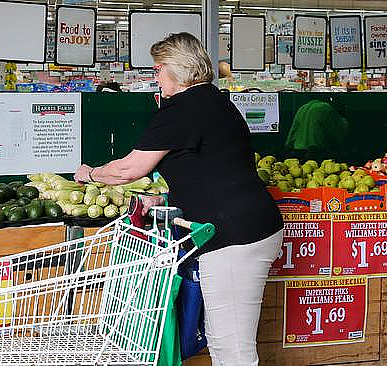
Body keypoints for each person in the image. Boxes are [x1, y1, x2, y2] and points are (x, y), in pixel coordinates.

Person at [74, 32, 283, 366]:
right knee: (223, 339)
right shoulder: (216, 102)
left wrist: (90, 174)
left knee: (233, 347)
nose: (155, 77)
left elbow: (130, 169)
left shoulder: (182, 109)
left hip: (232, 237)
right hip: (250, 225)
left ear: (177, 68)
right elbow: (209, 166)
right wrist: (165, 200)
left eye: (158, 68)